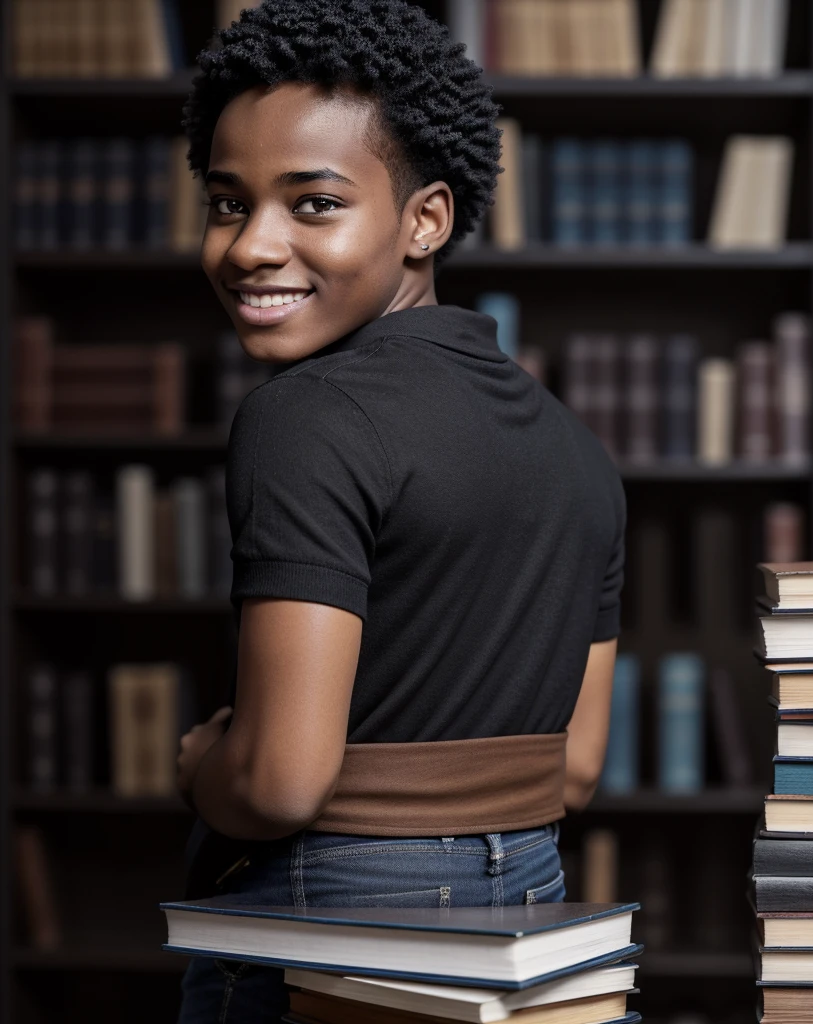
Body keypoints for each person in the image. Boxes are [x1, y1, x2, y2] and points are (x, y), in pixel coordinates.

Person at [174, 1, 626, 1020]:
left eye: (314, 203)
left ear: (426, 219)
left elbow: (282, 782)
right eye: (227, 203)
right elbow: (580, 767)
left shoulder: (304, 418)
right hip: (532, 929)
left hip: (325, 929)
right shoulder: (576, 450)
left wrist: (206, 767)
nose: (253, 245)